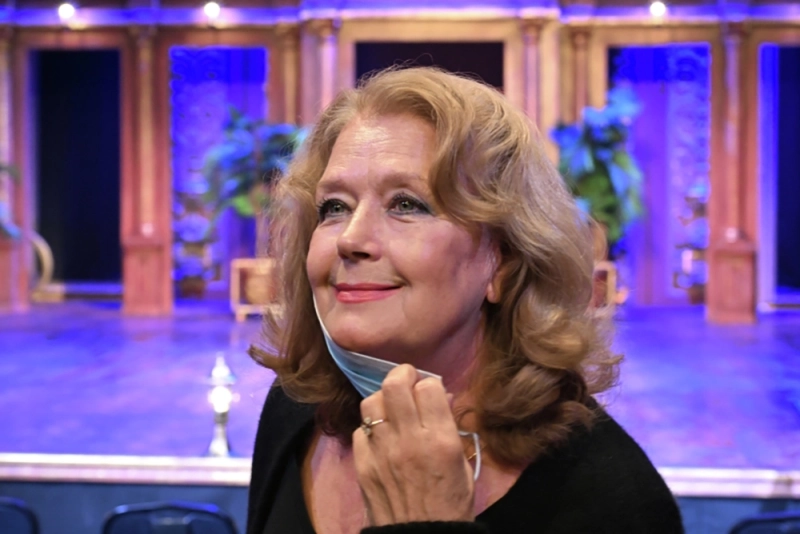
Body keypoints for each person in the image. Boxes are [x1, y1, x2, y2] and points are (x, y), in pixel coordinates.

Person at [246, 66, 684, 534]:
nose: (351, 239)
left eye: (406, 204)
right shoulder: (293, 409)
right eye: (334, 207)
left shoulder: (616, 501)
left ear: (504, 260)